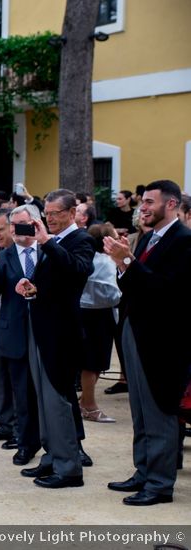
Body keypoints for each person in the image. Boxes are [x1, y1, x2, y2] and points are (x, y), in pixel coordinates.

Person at [104, 179, 191, 506]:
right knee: (140, 410)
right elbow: (133, 286)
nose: (143, 207)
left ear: (171, 204)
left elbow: (165, 292)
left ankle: (159, 484)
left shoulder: (184, 242)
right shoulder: (145, 239)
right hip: (134, 332)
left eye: (150, 202)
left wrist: (127, 261)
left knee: (159, 411)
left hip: (164, 341)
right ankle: (143, 471)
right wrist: (123, 262)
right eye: (142, 202)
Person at [18, 189, 95, 489]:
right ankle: (53, 455)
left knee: (59, 400)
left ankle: (69, 467)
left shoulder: (81, 240)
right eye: (46, 213)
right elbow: (55, 284)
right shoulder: (56, 241)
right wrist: (32, 286)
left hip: (62, 333)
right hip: (43, 327)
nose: (48, 218)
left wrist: (48, 242)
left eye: (54, 214)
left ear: (72, 213)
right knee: (45, 398)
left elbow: (77, 272)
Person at [0, 205, 43, 466]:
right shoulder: (4, 256)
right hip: (14, 331)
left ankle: (67, 443)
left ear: (35, 223)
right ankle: (26, 443)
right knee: (21, 391)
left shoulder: (48, 251)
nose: (18, 230)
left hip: (46, 330)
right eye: (14, 225)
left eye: (23, 224)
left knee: (52, 391)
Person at [78, 223, 122, 423]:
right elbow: (114, 295)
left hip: (85, 313)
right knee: (92, 363)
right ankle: (89, 405)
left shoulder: (87, 259)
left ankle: (84, 400)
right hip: (99, 316)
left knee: (94, 362)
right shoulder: (106, 263)